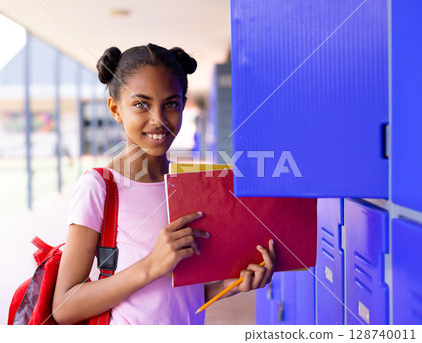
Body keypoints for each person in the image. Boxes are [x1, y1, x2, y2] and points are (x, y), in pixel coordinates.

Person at [52, 43, 276, 325]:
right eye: (141, 104)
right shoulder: (100, 186)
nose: (158, 120)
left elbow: (179, 297)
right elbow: (63, 307)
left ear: (183, 104)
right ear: (115, 109)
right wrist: (152, 265)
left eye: (170, 104)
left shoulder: (190, 187)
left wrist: (229, 285)